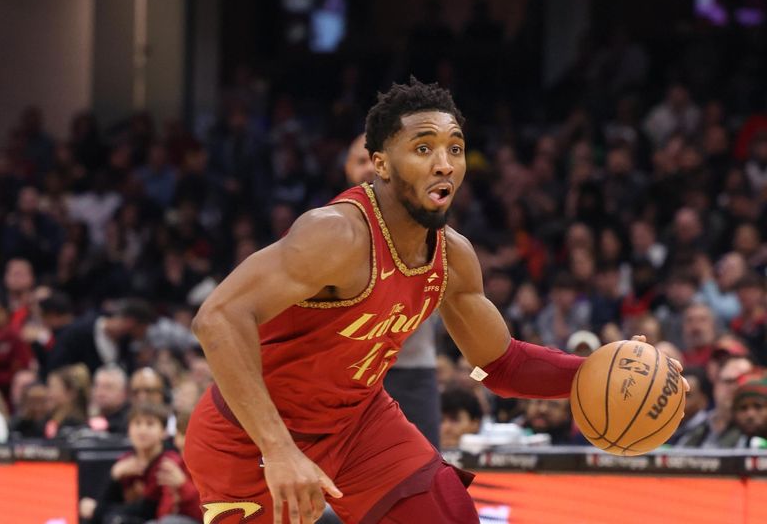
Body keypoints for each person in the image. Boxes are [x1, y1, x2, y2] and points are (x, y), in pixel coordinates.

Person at [185, 79, 684, 524]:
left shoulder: (454, 258)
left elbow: (502, 365)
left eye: (455, 148)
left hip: (356, 424)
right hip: (250, 436)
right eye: (422, 148)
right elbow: (219, 318)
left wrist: (605, 372)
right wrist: (279, 448)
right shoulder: (335, 235)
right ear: (379, 162)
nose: (444, 163)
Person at [344, 133, 441, 447]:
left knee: (427, 477)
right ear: (347, 169)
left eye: (375, 161)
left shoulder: (425, 225)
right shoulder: (332, 228)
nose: (368, 169)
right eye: (360, 161)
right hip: (349, 376)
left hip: (411, 371)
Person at [81, 403, 202, 524]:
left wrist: (99, 510)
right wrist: (114, 475)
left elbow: (150, 511)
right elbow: (102, 508)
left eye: (150, 424)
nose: (142, 430)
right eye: (137, 423)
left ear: (164, 431)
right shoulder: (125, 462)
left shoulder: (169, 462)